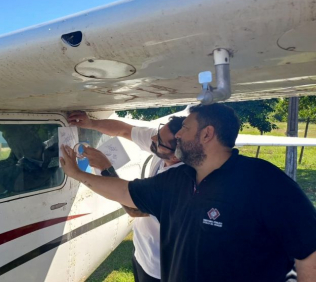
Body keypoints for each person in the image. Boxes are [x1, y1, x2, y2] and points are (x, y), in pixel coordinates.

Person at [61, 104, 316, 282]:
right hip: (148, 263)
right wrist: (78, 174)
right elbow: (126, 192)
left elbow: (309, 250)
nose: (179, 135)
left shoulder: (265, 181)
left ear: (207, 134)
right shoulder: (178, 179)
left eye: (185, 128)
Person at [67, 111, 185, 282]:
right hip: (142, 254)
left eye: (159, 140)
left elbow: (133, 208)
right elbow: (124, 130)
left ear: (176, 155)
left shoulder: (178, 182)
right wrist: (91, 123)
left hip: (160, 268)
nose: (152, 139)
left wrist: (103, 168)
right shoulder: (163, 143)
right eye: (158, 133)